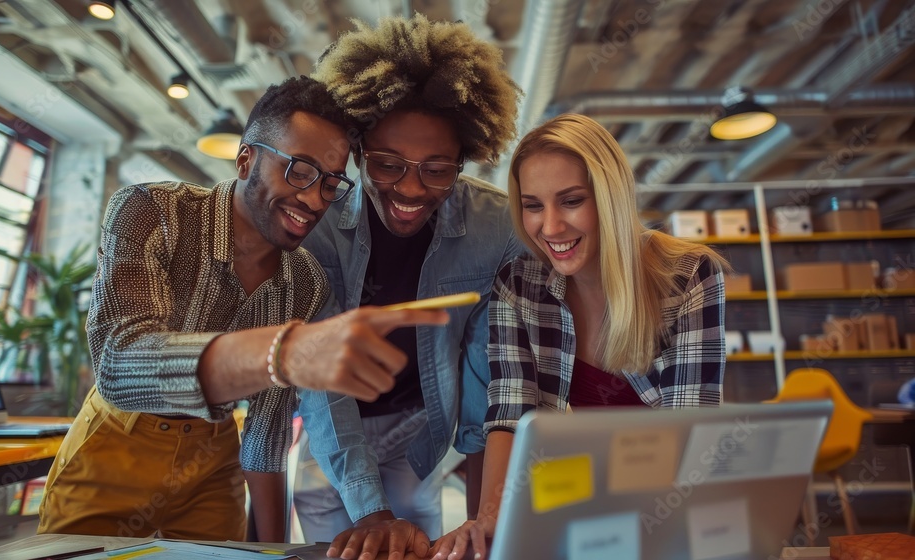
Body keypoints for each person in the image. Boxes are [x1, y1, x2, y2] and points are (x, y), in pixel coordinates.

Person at [37, 76, 450, 541]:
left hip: (212, 463)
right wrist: (283, 352)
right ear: (245, 158)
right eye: (299, 171)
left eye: (331, 183)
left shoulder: (305, 282)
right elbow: (118, 361)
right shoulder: (151, 211)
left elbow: (266, 435)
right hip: (114, 448)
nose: (314, 199)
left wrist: (274, 549)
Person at [239, 13, 524, 559]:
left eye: (438, 169)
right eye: (388, 164)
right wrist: (370, 509)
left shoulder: (496, 229)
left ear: (464, 159)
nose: (411, 189)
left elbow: (487, 373)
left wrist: (483, 519)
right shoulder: (315, 224)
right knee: (338, 543)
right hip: (334, 425)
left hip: (421, 428)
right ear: (359, 148)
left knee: (416, 543)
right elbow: (323, 380)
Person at [430, 113, 730, 560]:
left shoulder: (686, 277)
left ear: (608, 197)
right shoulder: (519, 284)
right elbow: (512, 410)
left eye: (570, 201)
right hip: (571, 500)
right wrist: (491, 518)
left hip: (668, 506)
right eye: (533, 206)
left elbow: (687, 432)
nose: (550, 228)